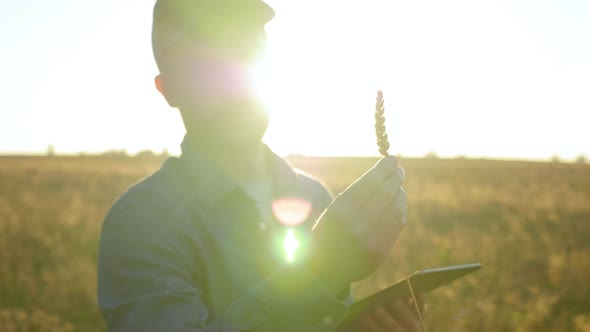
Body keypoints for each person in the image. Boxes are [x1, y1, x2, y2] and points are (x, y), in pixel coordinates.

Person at [97, 0, 425, 331]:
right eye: (203, 66)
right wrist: (320, 271)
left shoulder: (313, 196)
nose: (233, 83)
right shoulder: (140, 223)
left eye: (247, 51)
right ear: (168, 89)